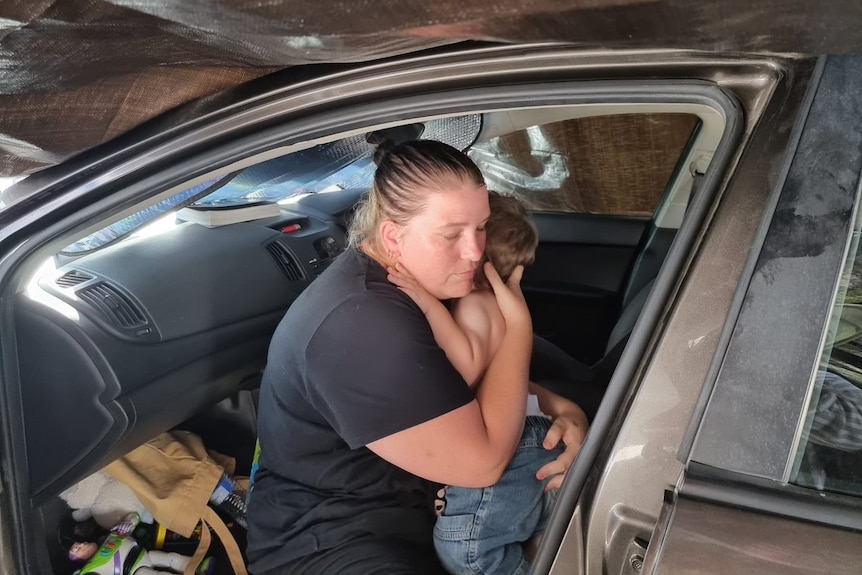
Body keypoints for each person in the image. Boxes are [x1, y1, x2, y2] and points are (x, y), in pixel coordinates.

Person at [246, 139, 588, 575]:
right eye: (451, 235)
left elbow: (458, 380)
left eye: (481, 227)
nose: (475, 251)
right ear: (392, 235)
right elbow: (482, 463)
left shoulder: (427, 282)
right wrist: (518, 330)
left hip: (412, 510)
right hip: (336, 540)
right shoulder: (362, 323)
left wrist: (565, 410)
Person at [387, 190, 580, 574]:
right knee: (531, 531)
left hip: (515, 443)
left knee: (466, 550)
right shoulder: (499, 304)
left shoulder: (476, 304)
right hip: (527, 433)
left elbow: (467, 366)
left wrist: (424, 304)